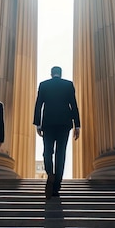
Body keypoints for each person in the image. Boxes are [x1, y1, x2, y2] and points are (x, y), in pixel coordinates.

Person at [33, 66, 80, 199]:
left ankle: (50, 174)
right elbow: (73, 105)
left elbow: (38, 105)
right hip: (64, 123)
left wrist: (38, 123)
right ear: (60, 73)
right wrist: (77, 125)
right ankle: (57, 186)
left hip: (48, 123)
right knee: (61, 154)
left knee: (47, 151)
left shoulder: (44, 85)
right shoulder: (68, 85)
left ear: (51, 73)